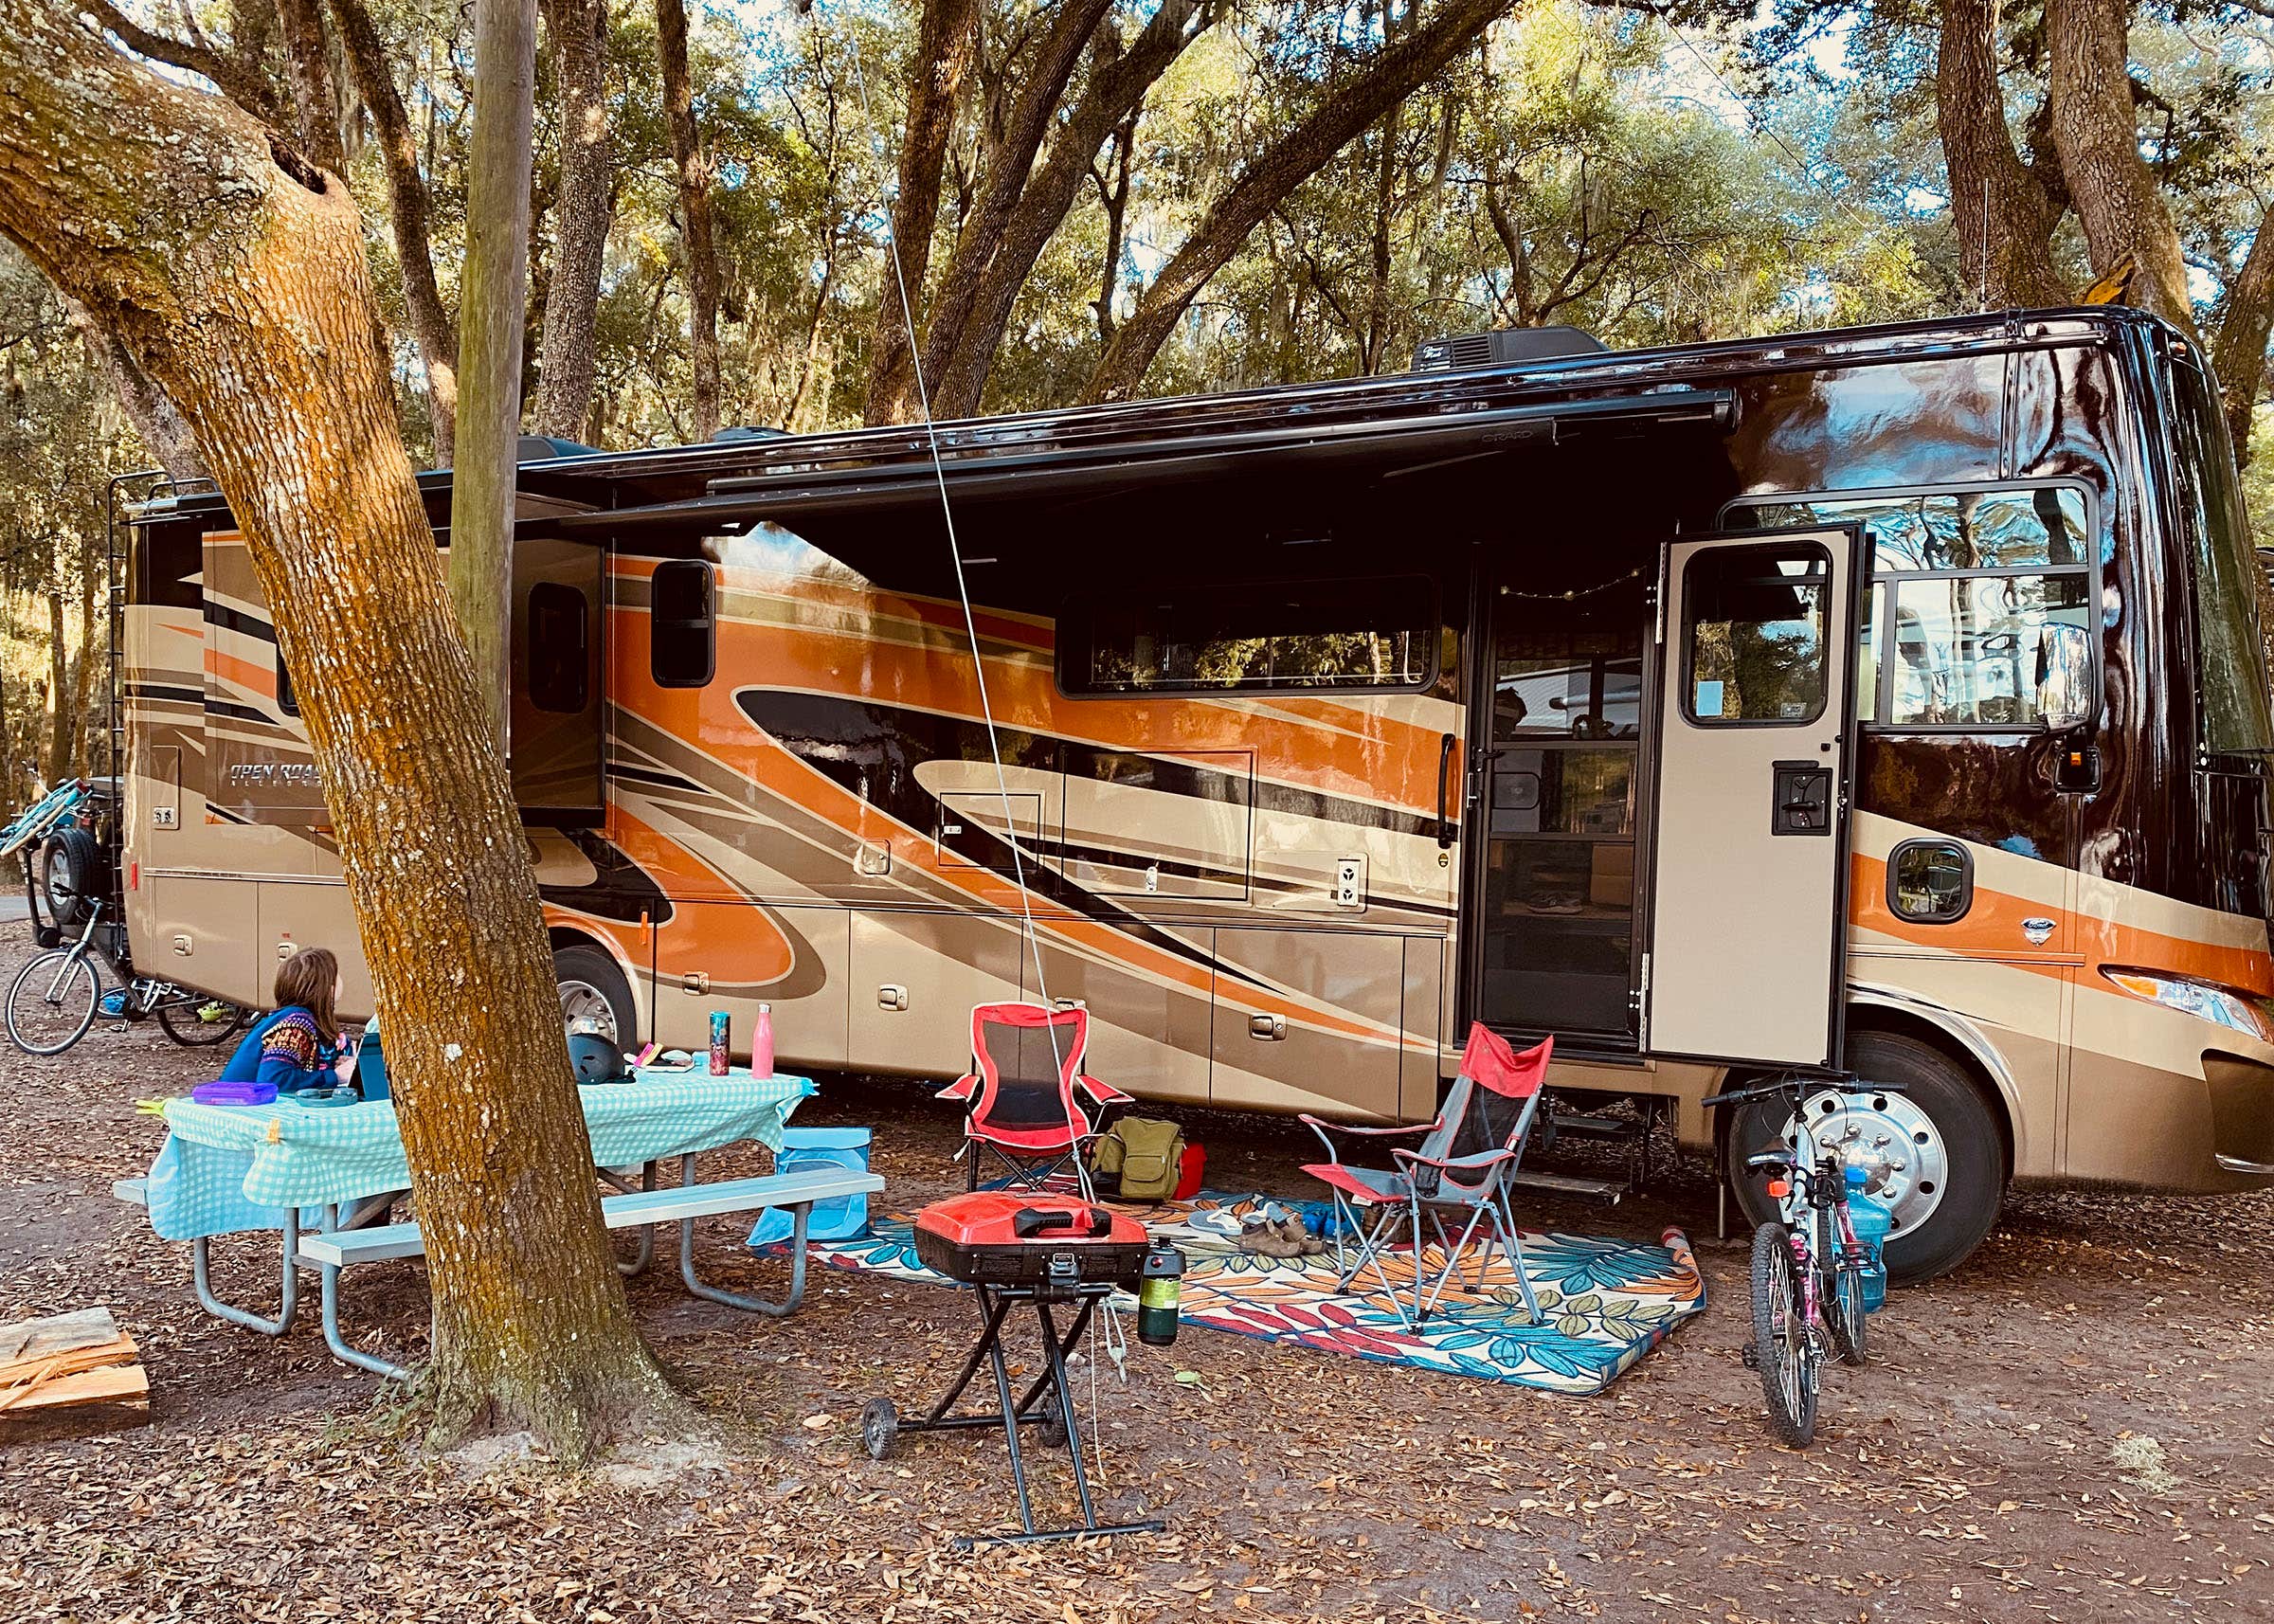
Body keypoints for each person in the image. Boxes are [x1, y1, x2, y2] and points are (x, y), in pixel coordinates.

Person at [215, 947, 355, 1096]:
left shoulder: (289, 1018)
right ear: (327, 988)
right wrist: (335, 1076)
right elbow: (274, 1081)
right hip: (242, 1111)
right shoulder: (296, 1023)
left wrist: (336, 1066)